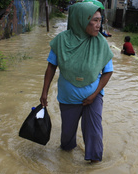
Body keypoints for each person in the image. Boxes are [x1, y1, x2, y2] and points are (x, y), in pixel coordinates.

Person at [40, 2, 114, 163]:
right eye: (94, 20)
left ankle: (94, 164)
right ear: (81, 20)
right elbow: (51, 67)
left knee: (94, 133)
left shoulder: (100, 43)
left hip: (93, 98)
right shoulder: (61, 41)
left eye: (100, 20)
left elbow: (108, 71)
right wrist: (44, 92)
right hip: (68, 98)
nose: (98, 25)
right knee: (67, 138)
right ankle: (65, 162)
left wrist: (94, 95)